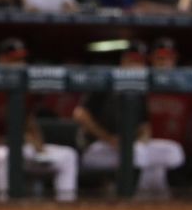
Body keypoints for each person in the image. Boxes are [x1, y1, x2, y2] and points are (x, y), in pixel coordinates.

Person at [0, 38, 78, 201]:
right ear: (1, 60)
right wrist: (12, 142)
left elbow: (29, 121)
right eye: (14, 60)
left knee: (68, 155)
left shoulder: (27, 88)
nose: (19, 64)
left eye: (21, 60)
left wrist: (39, 147)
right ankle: (5, 204)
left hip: (19, 144)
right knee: (5, 156)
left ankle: (66, 205)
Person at [72, 40, 185, 198]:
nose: (136, 65)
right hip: (97, 148)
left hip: (129, 146)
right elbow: (80, 114)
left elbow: (145, 127)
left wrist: (142, 139)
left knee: (173, 152)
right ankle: (131, 199)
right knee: (138, 154)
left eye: (140, 62)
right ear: (123, 61)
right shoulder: (106, 81)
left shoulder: (140, 90)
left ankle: (157, 204)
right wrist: (109, 139)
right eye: (132, 61)